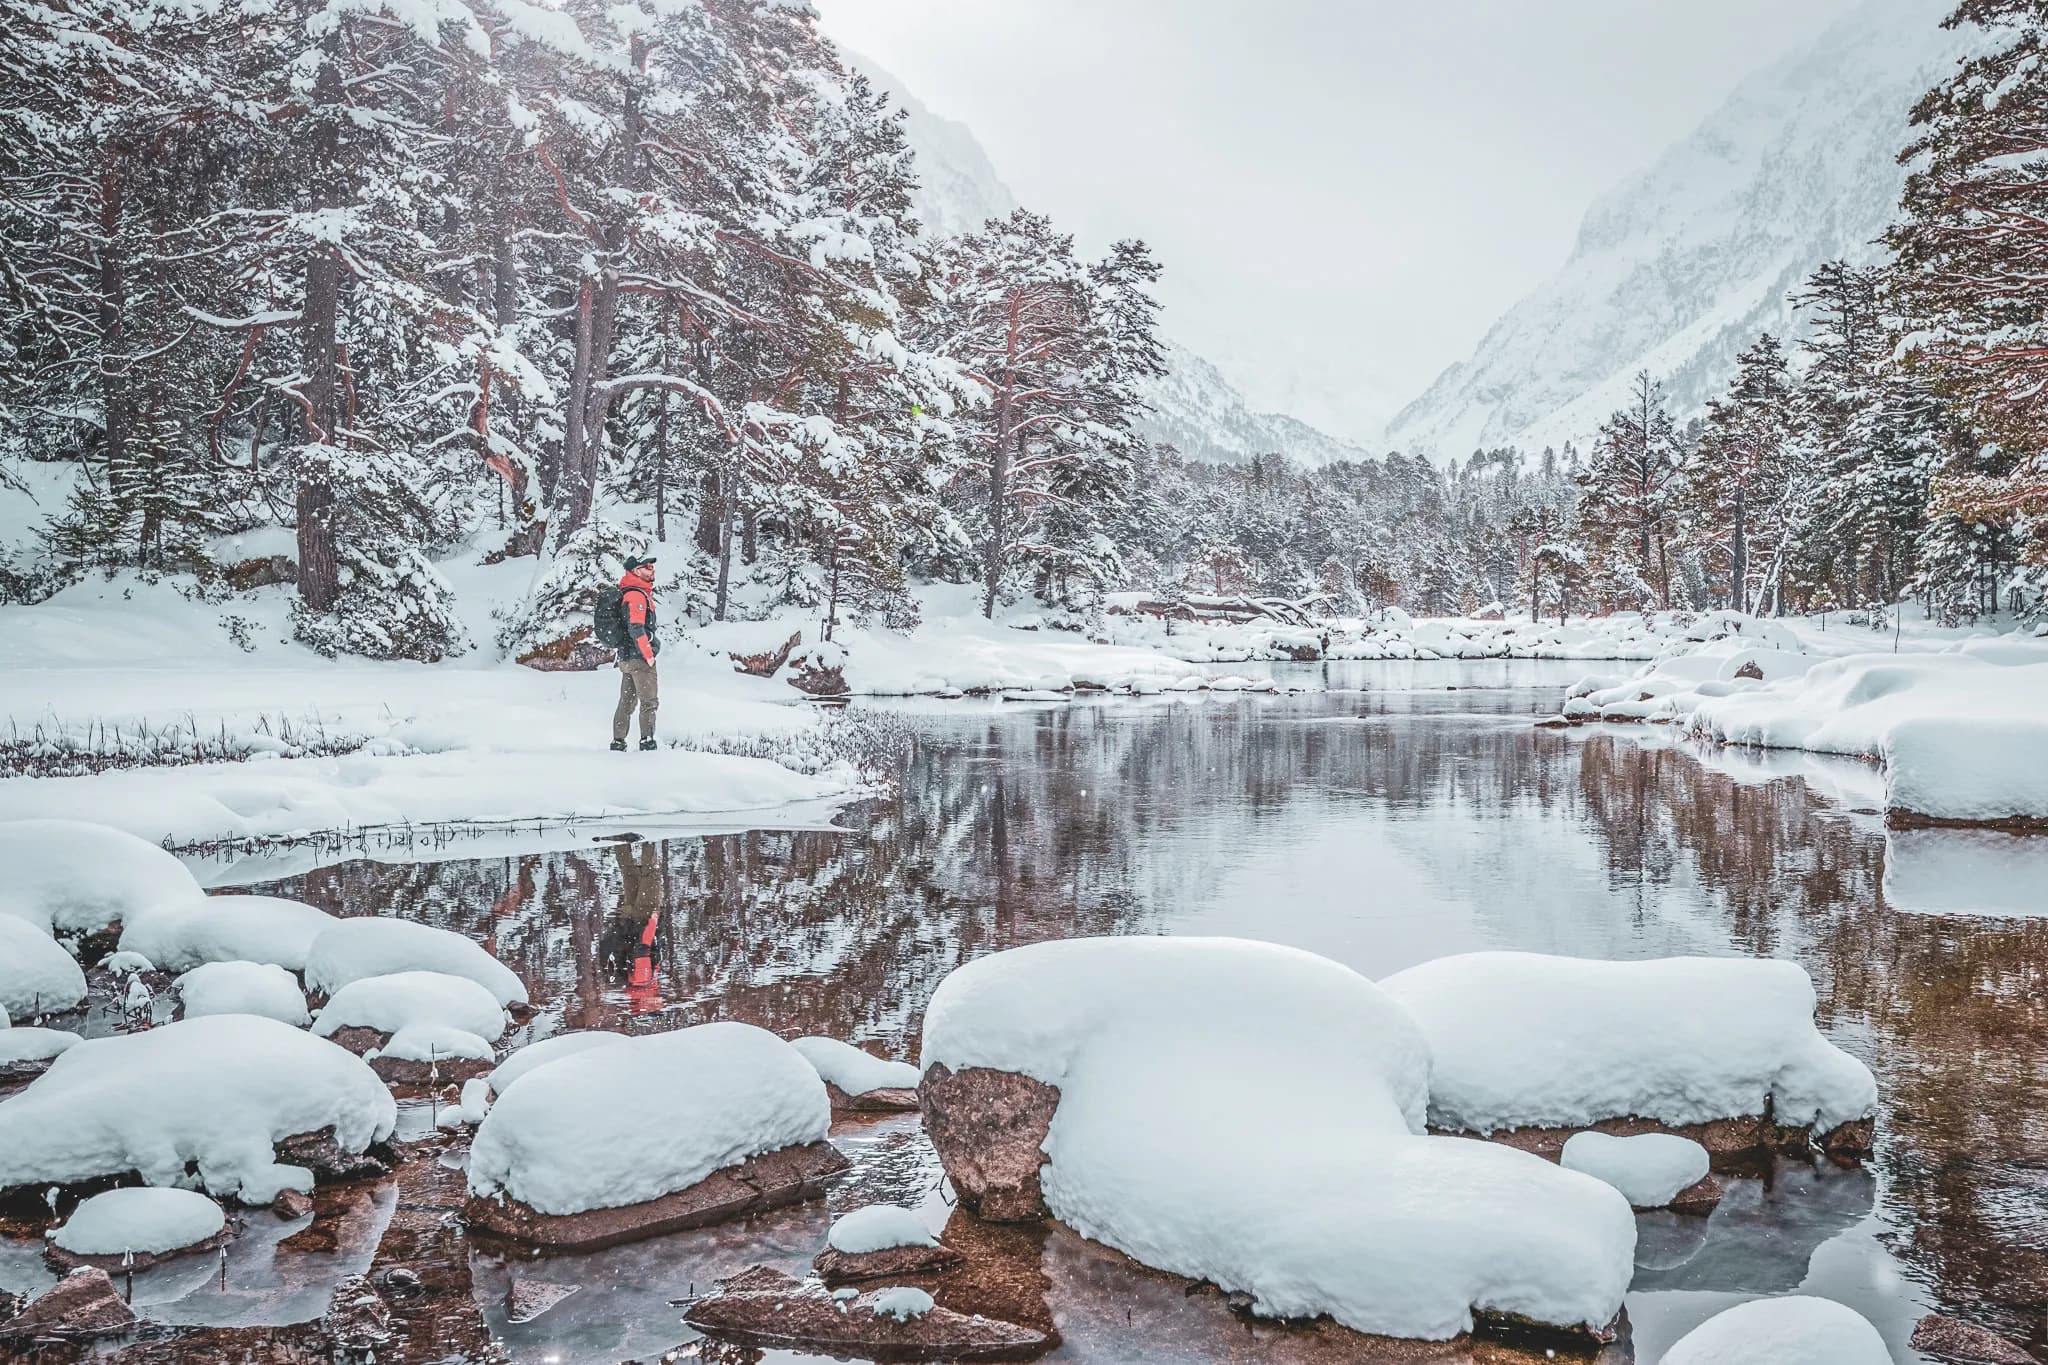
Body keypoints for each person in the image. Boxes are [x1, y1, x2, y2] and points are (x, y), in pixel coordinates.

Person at [610, 555, 660, 752]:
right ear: (636, 571)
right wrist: (648, 655)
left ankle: (618, 741)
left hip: (626, 658)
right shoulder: (637, 596)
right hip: (639, 660)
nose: (652, 570)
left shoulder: (628, 592)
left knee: (627, 701)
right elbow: (637, 628)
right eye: (647, 567)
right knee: (649, 702)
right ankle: (647, 742)